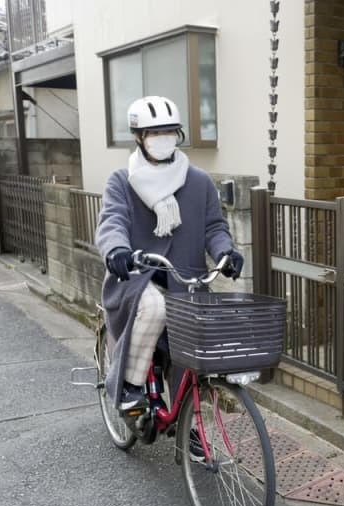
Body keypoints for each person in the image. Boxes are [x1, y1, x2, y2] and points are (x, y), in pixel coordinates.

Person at [95, 95, 244, 414]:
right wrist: (117, 250)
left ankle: (190, 427)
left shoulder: (199, 181)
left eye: (169, 132)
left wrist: (226, 252)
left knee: (195, 355)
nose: (162, 139)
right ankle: (131, 386)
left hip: (186, 279)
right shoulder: (122, 181)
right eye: (154, 133)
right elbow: (113, 221)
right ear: (138, 137)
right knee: (154, 307)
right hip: (135, 278)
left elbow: (214, 227)